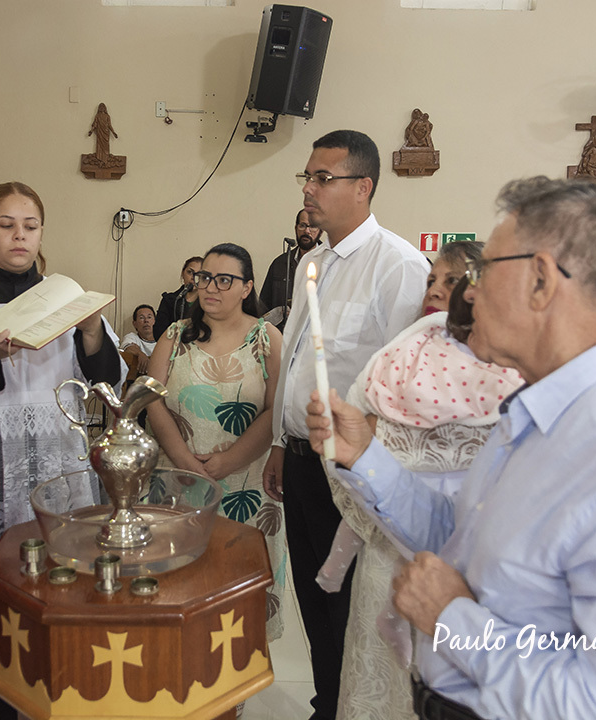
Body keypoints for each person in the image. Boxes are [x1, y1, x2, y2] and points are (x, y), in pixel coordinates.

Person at [308, 177, 596, 720]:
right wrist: (368, 457)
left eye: (486, 272)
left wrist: (454, 622)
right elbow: (469, 545)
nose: (470, 292)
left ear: (541, 282)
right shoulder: (541, 406)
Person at [316, 242, 523, 720]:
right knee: (380, 680)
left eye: (452, 281)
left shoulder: (512, 371)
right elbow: (362, 432)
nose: (436, 291)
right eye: (432, 280)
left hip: (469, 558)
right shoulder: (403, 351)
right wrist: (359, 450)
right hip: (388, 541)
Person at [262, 129, 429, 720]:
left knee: (349, 604)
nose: (309, 188)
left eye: (322, 178)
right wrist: (282, 443)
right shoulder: (310, 260)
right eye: (307, 176)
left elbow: (407, 388)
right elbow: (302, 357)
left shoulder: (399, 266)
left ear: (363, 187)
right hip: (304, 461)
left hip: (357, 473)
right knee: (312, 596)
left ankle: (349, 708)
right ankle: (325, 703)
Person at [147, 243, 285, 640]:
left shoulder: (265, 337)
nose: (211, 287)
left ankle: (234, 684)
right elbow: (152, 399)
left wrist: (228, 461)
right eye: (205, 277)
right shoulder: (176, 335)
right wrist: (182, 457)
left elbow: (276, 408)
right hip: (178, 481)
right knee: (182, 584)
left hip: (246, 484)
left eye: (225, 280)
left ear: (247, 288)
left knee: (237, 587)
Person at [0, 181, 124, 536]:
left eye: (30, 226)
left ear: (41, 232)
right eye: (6, 225)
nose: (19, 236)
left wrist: (91, 330)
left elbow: (105, 385)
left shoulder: (67, 296)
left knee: (64, 551)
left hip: (59, 445)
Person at [259, 209, 322, 331]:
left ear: (321, 231)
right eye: (302, 225)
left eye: (313, 227)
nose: (307, 231)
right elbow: (263, 306)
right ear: (296, 228)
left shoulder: (329, 263)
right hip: (281, 338)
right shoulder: (280, 263)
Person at [154, 256, 203, 338]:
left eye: (199, 275)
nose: (193, 278)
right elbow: (158, 332)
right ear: (183, 273)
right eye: (190, 272)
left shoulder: (208, 302)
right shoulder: (170, 300)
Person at [120, 304, 157, 377]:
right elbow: (127, 347)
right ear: (134, 324)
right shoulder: (132, 337)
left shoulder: (162, 341)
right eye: (141, 318)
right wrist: (140, 354)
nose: (146, 321)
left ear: (155, 321)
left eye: (149, 317)